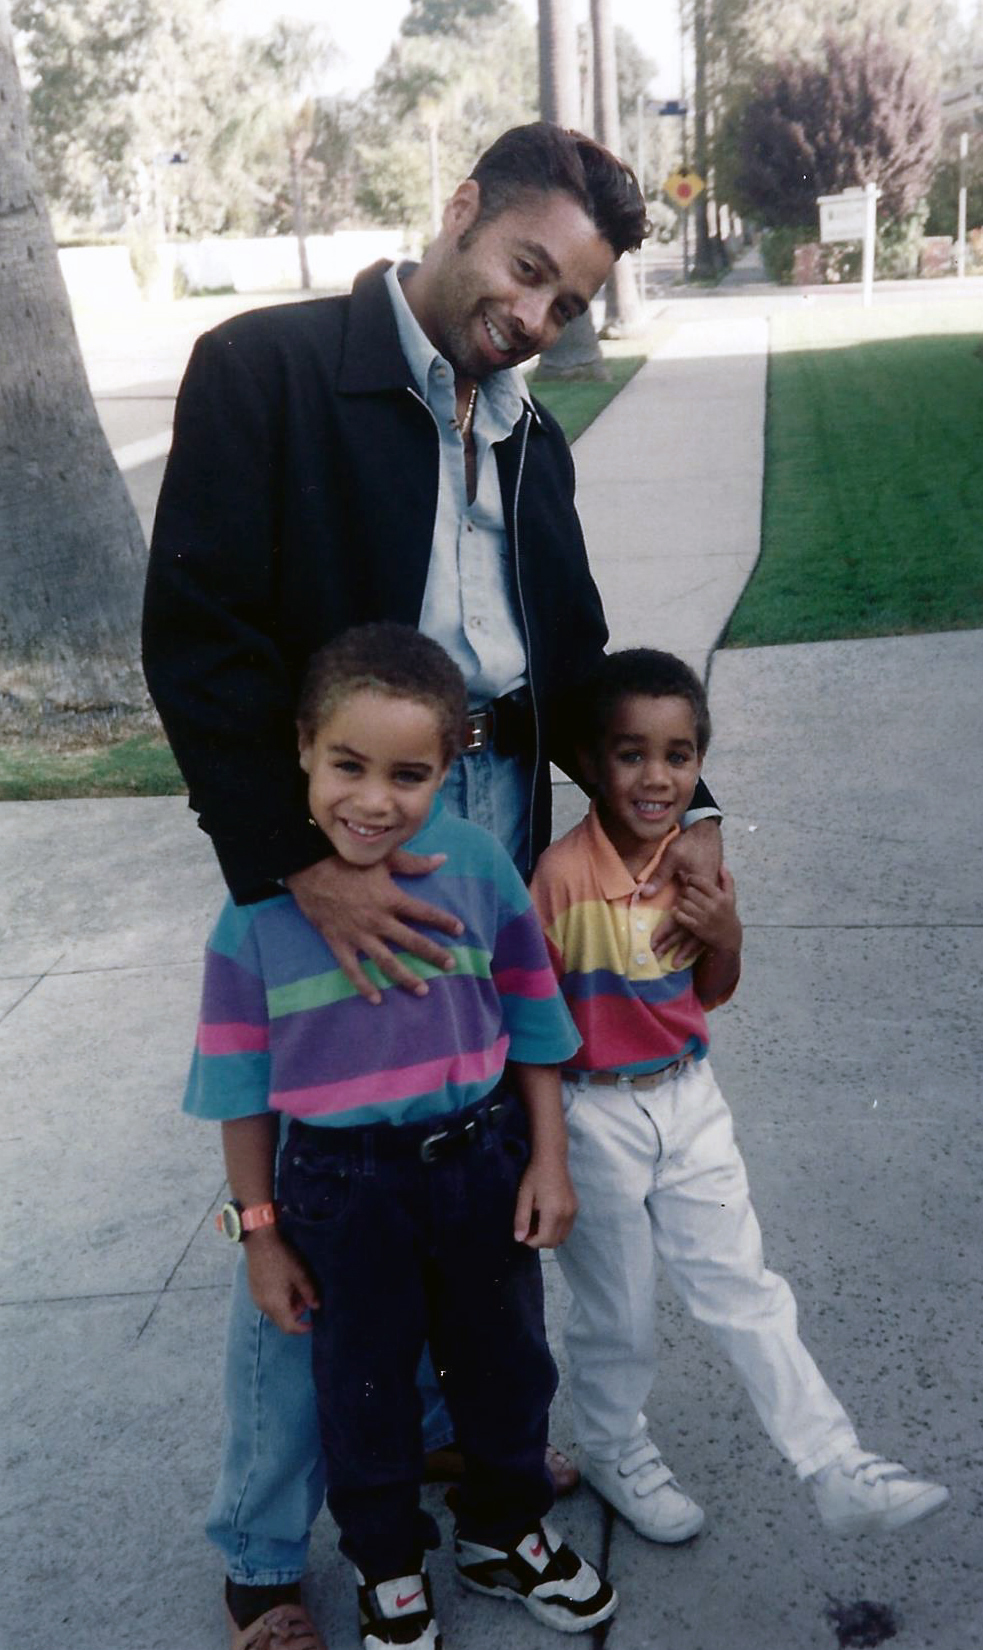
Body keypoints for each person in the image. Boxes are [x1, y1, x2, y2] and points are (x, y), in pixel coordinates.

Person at [143, 122, 722, 1644]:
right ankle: (267, 1553)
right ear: (459, 211)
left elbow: (578, 650)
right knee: (323, 1202)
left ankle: (452, 1479)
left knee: (453, 1180)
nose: (533, 316)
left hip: (483, 833)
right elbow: (195, 644)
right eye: (526, 270)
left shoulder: (526, 426)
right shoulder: (265, 370)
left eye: (563, 302)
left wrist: (681, 808)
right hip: (332, 827)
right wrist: (295, 864)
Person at [185, 624, 619, 1650]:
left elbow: (533, 1024)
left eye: (408, 774)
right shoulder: (254, 920)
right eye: (346, 765)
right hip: (339, 1188)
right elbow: (239, 1093)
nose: (372, 800)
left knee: (508, 1369)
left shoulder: (475, 868)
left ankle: (502, 1533)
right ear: (300, 748)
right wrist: (259, 1233)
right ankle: (387, 1567)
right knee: (362, 1390)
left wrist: (547, 1159)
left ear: (451, 766)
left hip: (478, 1163)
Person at [529, 647, 950, 1546]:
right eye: (631, 754)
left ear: (699, 763)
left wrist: (727, 932)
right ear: (594, 762)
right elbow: (529, 1024)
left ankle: (833, 1464)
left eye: (678, 755)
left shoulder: (698, 870)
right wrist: (549, 1153)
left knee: (745, 1287)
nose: (656, 777)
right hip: (592, 1109)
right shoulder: (559, 882)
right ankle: (612, 1449)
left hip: (688, 1100)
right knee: (619, 1311)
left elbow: (711, 987)